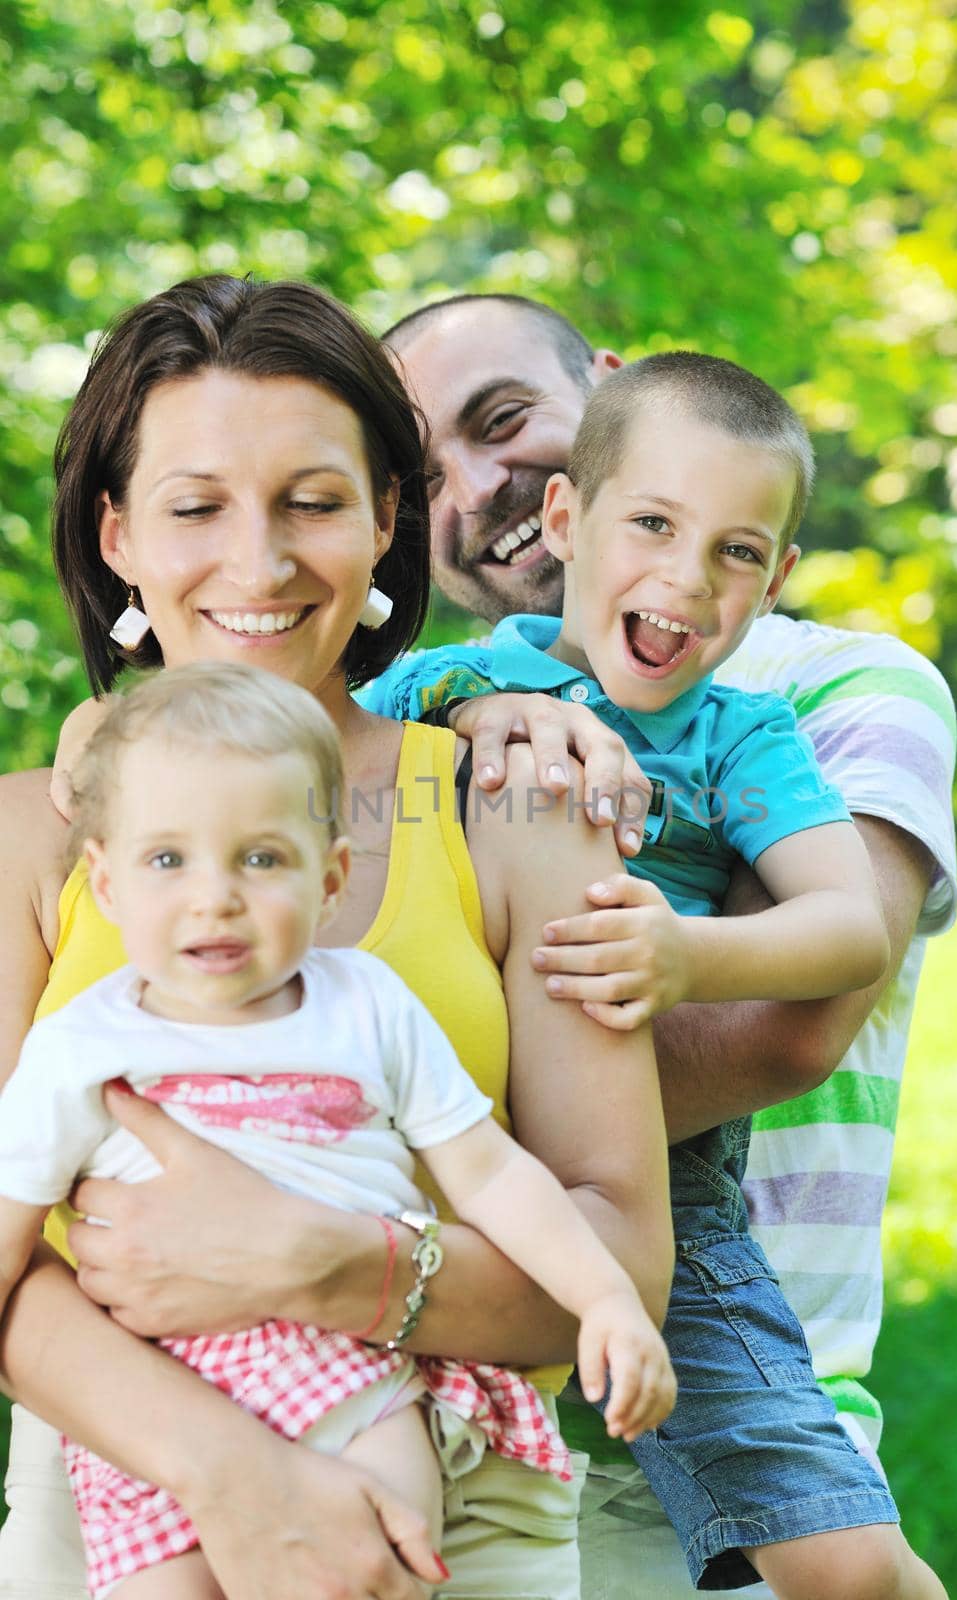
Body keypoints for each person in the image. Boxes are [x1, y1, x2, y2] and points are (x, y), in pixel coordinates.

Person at [0, 274, 676, 1600]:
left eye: (313, 501)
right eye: (197, 508)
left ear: (386, 515)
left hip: (462, 1509)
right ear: (118, 533)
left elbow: (623, 1254)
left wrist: (334, 1268)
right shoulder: (31, 837)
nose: (258, 565)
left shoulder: (512, 810)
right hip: (118, 1497)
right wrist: (229, 1474)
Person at [378, 293, 957, 1598]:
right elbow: (254, 774)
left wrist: (685, 956)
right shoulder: (441, 690)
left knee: (846, 1560)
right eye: (423, 467)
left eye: (507, 417)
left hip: (677, 1231)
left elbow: (820, 980)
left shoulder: (786, 709)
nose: (686, 579)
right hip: (468, 1410)